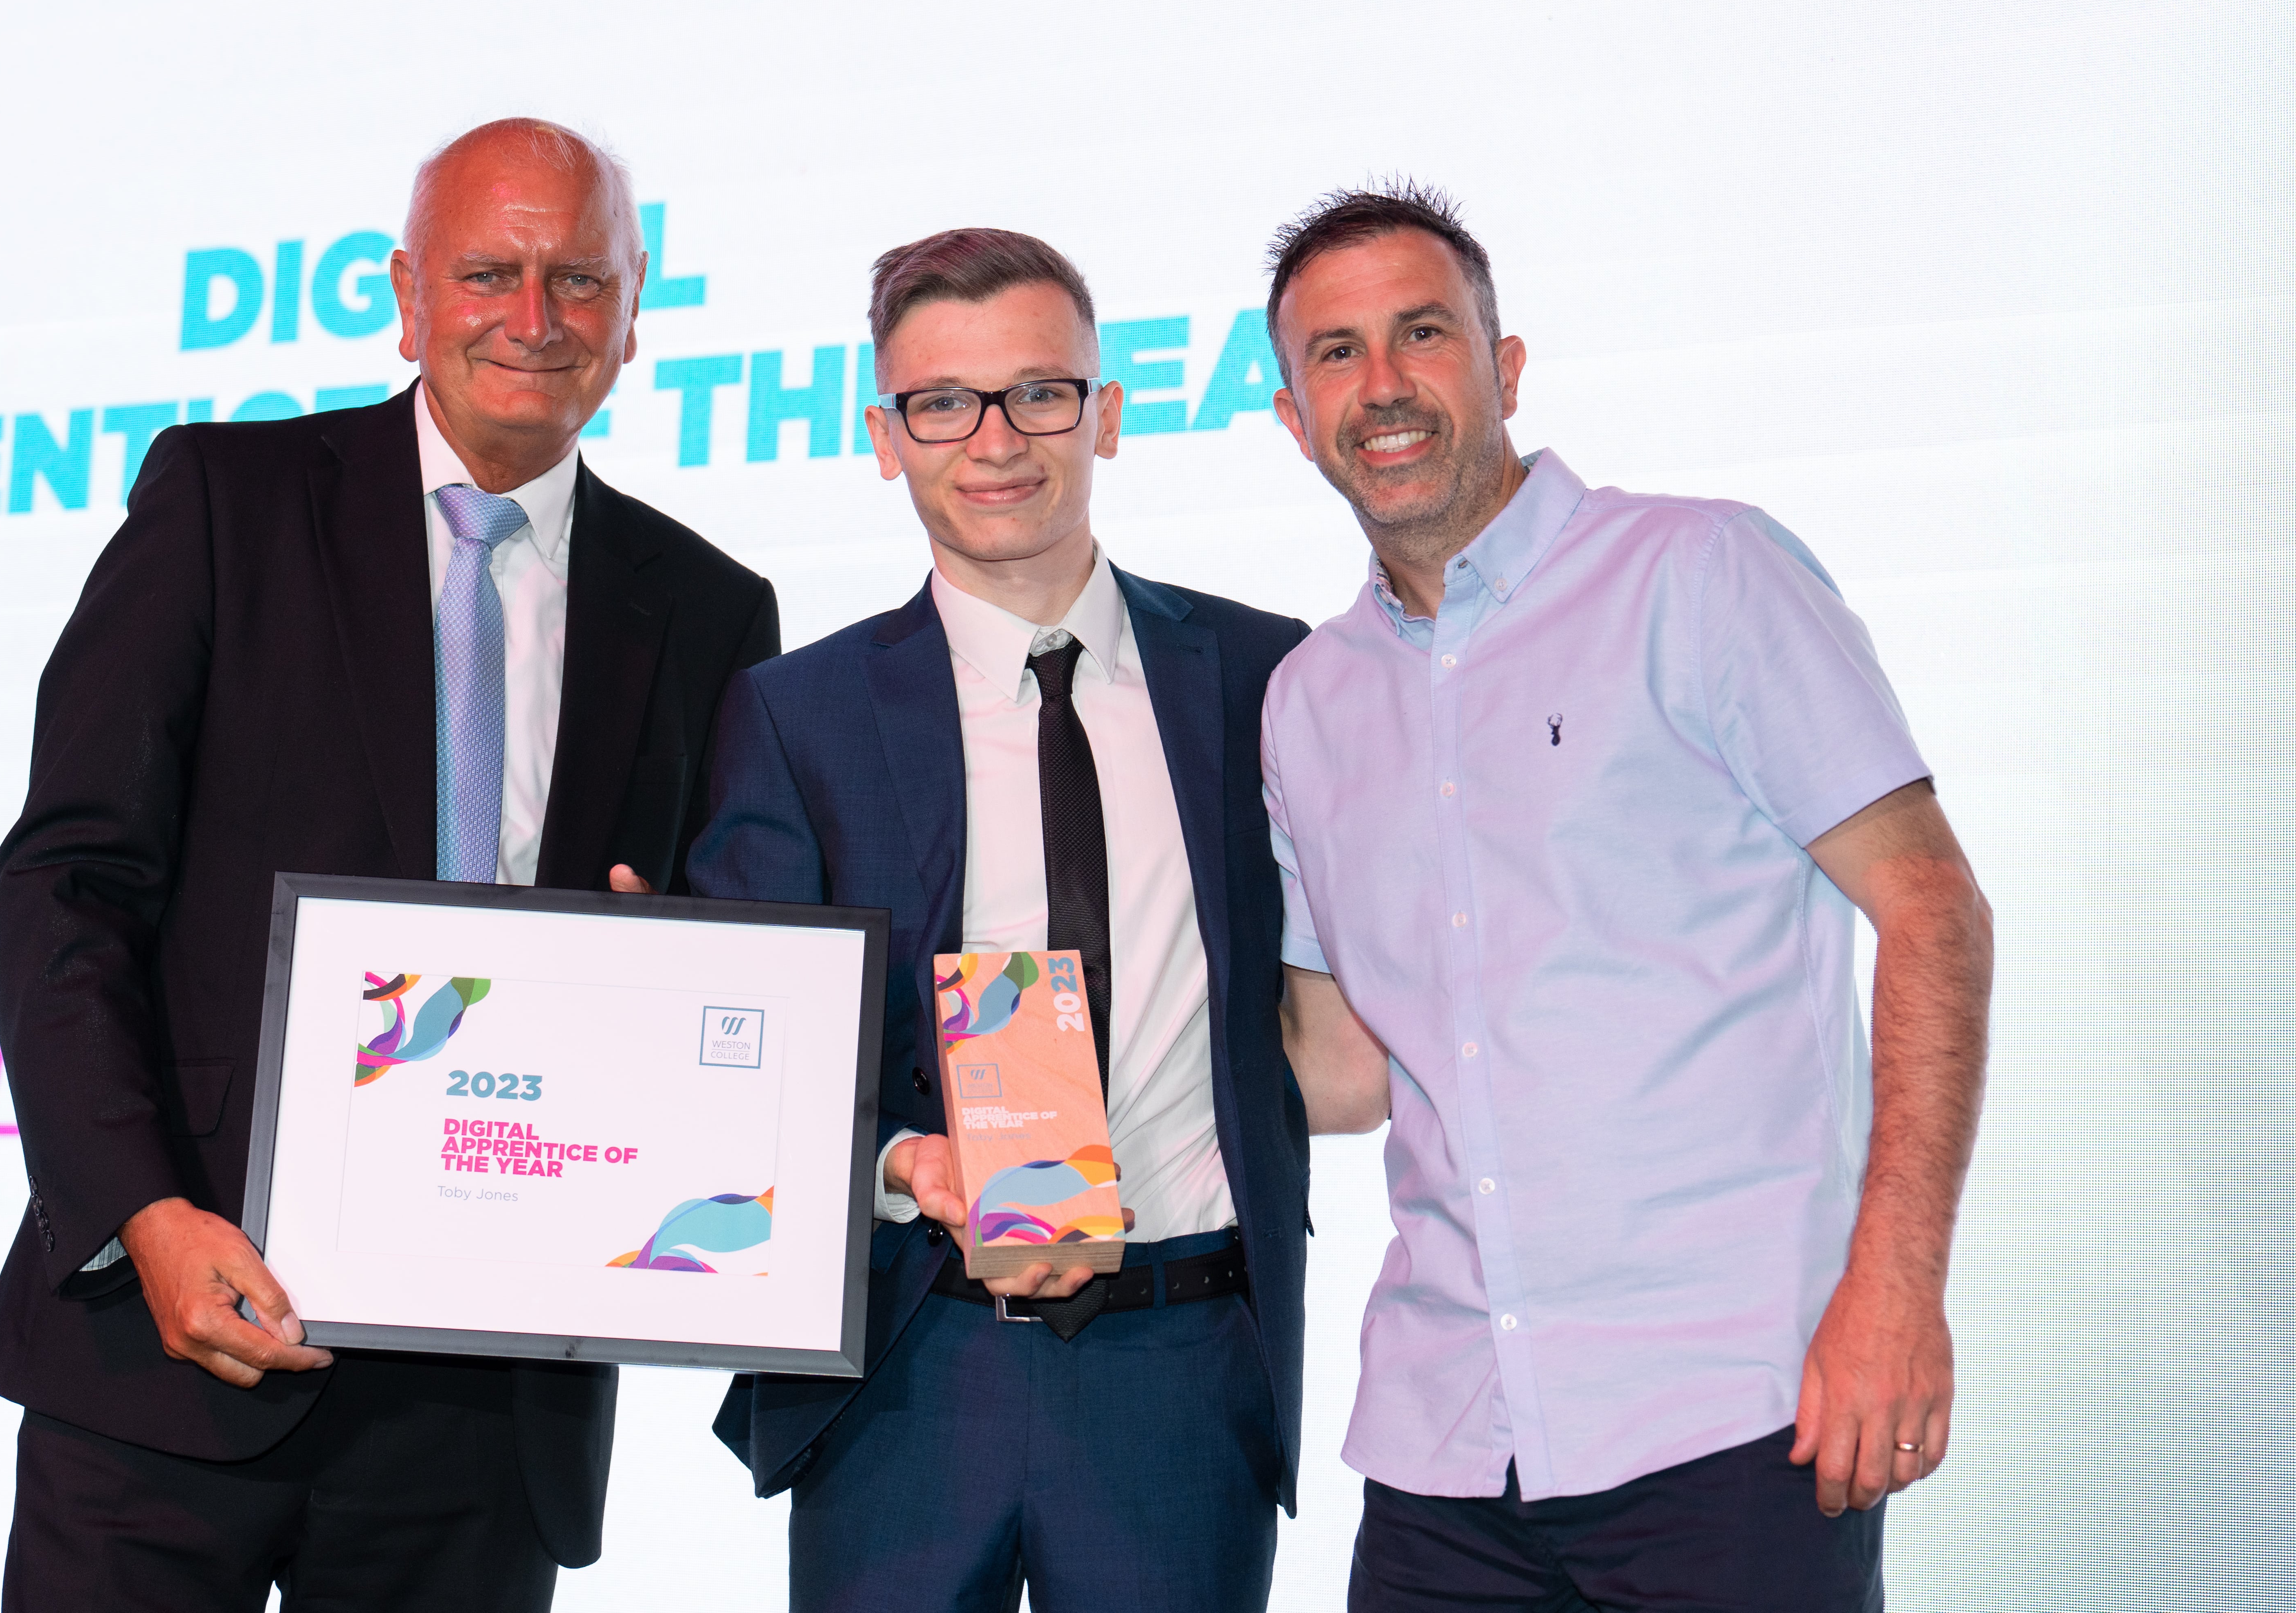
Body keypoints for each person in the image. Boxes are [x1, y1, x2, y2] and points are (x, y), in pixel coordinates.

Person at [0, 118, 780, 1611]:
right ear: (408, 296)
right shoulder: (225, 500)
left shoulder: (712, 609)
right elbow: (65, 883)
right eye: (489, 272)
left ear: (635, 308)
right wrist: (144, 1213)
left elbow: (717, 967)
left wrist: (669, 977)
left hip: (481, 1420)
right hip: (177, 1344)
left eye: (577, 281)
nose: (533, 320)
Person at [1262, 183, 1994, 1611]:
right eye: (1334, 354)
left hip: (1731, 1417)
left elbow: (1930, 908)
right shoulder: (1308, 702)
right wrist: (1046, 1100)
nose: (1384, 384)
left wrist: (1895, 1289)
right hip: (1446, 1446)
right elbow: (1340, 1072)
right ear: (1294, 417)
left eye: (1422, 333)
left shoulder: (1698, 571)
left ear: (1504, 364)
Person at [681, 228, 1312, 1611]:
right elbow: (747, 1065)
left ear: (1108, 411)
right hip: (914, 1361)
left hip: (1181, 1358)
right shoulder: (800, 716)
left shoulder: (1271, 675)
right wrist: (907, 1159)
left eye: (1039, 392)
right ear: (882, 435)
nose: (996, 439)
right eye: (941, 402)